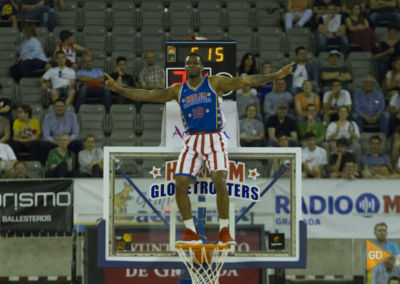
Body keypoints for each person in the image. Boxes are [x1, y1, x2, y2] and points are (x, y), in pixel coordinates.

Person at [104, 53, 294, 245]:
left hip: (215, 138)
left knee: (220, 180)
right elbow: (147, 95)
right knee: (179, 183)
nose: (192, 65)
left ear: (202, 67)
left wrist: (275, 75)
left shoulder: (214, 82)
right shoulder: (178, 90)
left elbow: (245, 81)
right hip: (192, 141)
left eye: (196, 62)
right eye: (189, 63)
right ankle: (190, 231)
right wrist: (118, 88)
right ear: (185, 68)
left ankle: (224, 230)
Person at [40, 98, 81, 165]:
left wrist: (66, 141)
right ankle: (46, 166)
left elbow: (75, 133)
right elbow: (46, 135)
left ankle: (75, 166)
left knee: (78, 144)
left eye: (62, 106)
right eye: (57, 106)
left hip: (68, 141)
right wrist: (56, 142)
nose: (59, 108)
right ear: (53, 107)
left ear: (65, 107)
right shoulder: (48, 117)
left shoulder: (72, 116)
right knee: (43, 145)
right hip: (54, 142)